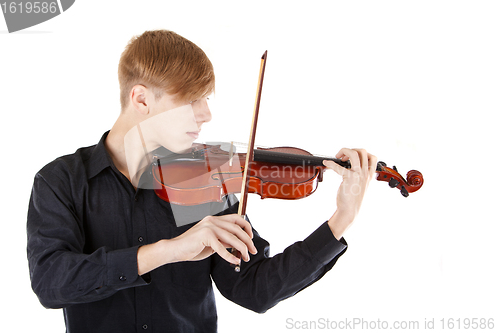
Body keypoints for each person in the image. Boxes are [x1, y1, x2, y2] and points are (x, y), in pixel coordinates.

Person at [27, 30, 377, 333]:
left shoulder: (202, 178)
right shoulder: (62, 181)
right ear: (142, 99)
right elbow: (51, 282)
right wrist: (168, 250)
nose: (206, 114)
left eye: (206, 99)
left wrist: (339, 221)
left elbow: (254, 288)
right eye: (191, 100)